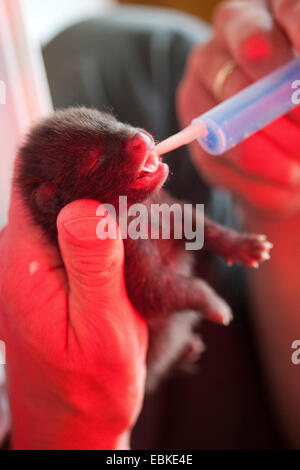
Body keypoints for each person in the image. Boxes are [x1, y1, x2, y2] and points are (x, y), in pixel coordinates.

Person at [1, 0, 300, 449]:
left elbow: (186, 223)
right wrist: (67, 431)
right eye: (93, 159)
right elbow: (158, 286)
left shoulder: (131, 66)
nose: (137, 137)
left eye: (115, 123)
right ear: (52, 200)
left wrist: (278, 203)